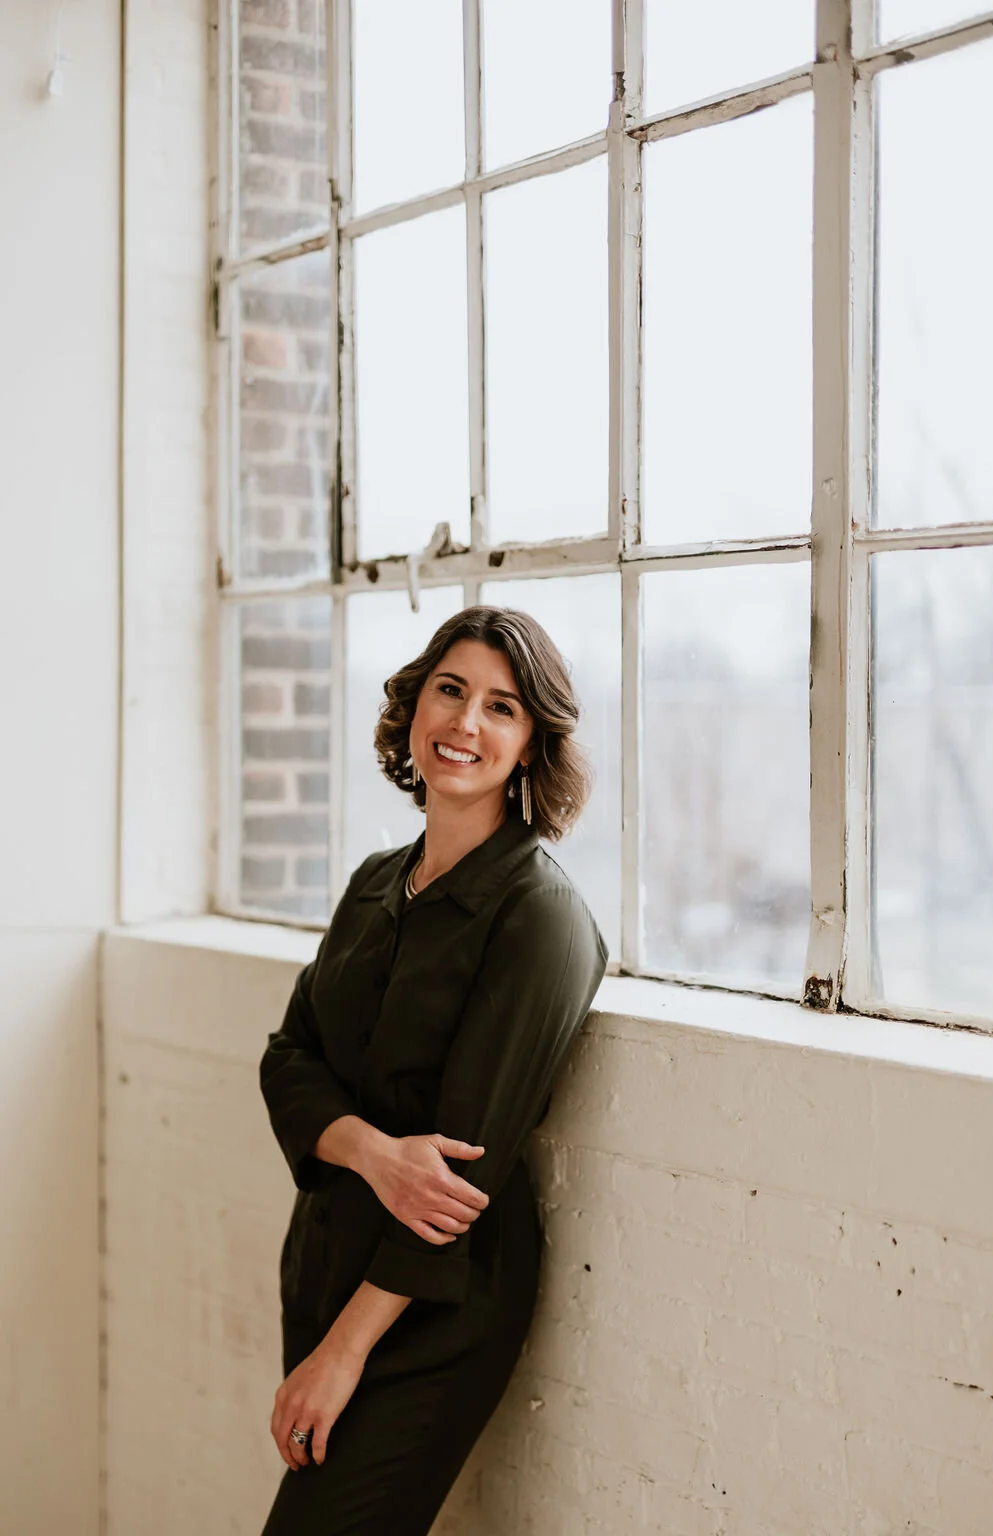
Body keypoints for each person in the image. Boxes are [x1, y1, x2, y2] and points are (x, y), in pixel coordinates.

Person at [258, 604, 609, 1535]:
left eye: (502, 708)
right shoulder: (376, 881)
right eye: (450, 692)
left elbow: (457, 1180)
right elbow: (289, 1061)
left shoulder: (539, 919)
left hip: (431, 1310)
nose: (466, 724)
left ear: (532, 745)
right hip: (327, 1271)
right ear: (416, 707)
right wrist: (373, 1153)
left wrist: (342, 1354)